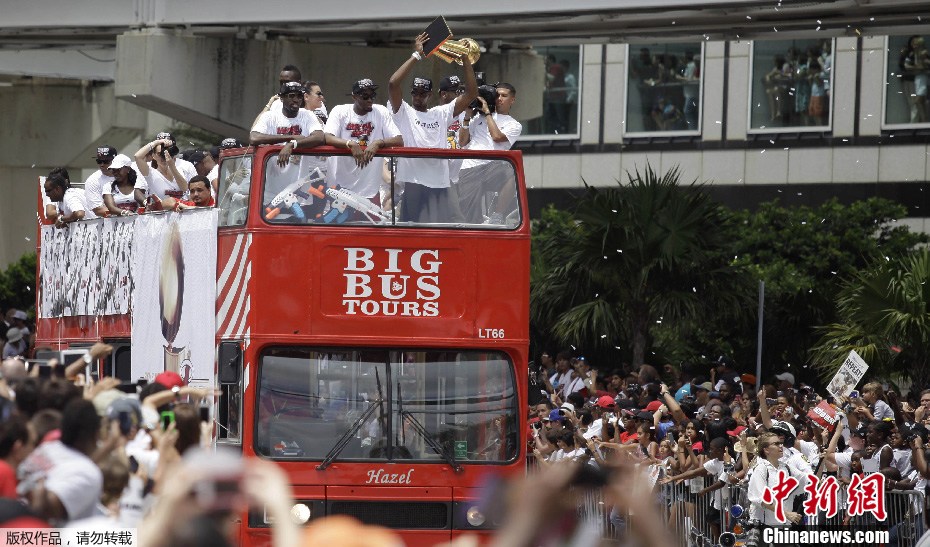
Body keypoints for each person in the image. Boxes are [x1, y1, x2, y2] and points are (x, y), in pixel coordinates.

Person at [387, 32, 477, 223]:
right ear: (411, 94)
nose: (418, 97)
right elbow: (393, 83)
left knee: (439, 232)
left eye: (423, 94)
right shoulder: (404, 112)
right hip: (413, 181)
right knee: (409, 233)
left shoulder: (440, 113)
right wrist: (416, 55)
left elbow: (471, 93)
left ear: (430, 95)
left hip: (439, 182)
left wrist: (465, 59)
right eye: (415, 93)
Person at [324, 79, 404, 206]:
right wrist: (350, 144)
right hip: (340, 188)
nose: (370, 100)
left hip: (369, 190)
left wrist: (378, 143)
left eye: (372, 95)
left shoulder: (380, 112)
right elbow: (327, 137)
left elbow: (399, 140)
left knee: (370, 225)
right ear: (354, 97)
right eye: (365, 96)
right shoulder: (340, 111)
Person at [455, 83, 522, 225]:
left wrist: (487, 113)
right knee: (469, 220)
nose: (499, 99)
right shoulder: (478, 119)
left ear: (512, 100)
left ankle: (497, 215)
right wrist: (467, 115)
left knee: (512, 173)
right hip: (469, 167)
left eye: (504, 96)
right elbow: (462, 142)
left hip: (492, 167)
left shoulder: (514, 124)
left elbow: (497, 137)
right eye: (497, 95)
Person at [747, 432, 804, 527]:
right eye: (776, 444)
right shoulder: (761, 468)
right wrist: (787, 514)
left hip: (783, 526)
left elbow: (810, 481)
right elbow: (763, 500)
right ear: (766, 450)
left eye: (780, 443)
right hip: (763, 527)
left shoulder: (786, 468)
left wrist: (824, 459)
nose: (781, 446)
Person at [133, 136, 190, 206]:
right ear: (153, 155)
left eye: (165, 153)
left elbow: (185, 189)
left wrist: (172, 166)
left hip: (181, 213)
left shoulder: (179, 169)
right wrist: (157, 142)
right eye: (159, 154)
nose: (163, 156)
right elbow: (137, 156)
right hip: (161, 214)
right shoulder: (150, 173)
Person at [148, 176, 215, 212]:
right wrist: (176, 205)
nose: (195, 194)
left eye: (199, 190)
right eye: (192, 191)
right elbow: (170, 201)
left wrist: (188, 209)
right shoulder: (188, 204)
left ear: (209, 190)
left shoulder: (218, 205)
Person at [85, 146, 117, 217]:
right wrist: (123, 212)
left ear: (115, 160)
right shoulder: (93, 180)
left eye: (106, 161)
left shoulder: (126, 174)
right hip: (105, 223)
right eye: (99, 161)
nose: (102, 165)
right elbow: (98, 209)